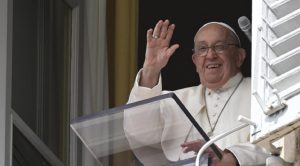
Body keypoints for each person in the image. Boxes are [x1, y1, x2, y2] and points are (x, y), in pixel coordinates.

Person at [123, 19, 271, 166]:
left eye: (219, 47)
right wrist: (150, 71)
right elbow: (139, 133)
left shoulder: (263, 92)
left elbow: (279, 141)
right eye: (202, 49)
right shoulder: (175, 100)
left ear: (239, 56)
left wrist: (230, 158)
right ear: (195, 61)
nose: (210, 55)